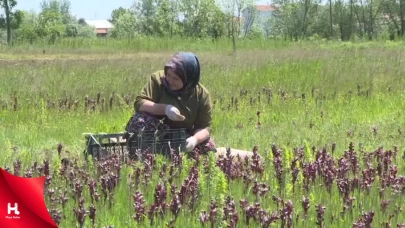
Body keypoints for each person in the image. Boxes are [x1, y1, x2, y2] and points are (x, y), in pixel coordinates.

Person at [125, 52, 216, 156]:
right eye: (168, 75)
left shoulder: (201, 94)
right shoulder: (157, 80)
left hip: (180, 135)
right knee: (140, 121)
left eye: (176, 78)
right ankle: (142, 158)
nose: (170, 81)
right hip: (155, 130)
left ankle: (179, 159)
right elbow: (140, 103)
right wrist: (165, 109)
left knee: (208, 147)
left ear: (188, 80)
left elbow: (205, 127)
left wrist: (195, 140)